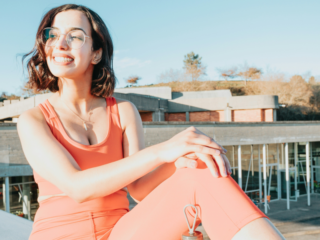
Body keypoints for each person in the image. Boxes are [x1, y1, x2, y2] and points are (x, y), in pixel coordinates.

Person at [17, 4, 284, 240]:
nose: (60, 43)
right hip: (59, 235)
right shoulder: (33, 119)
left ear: (96, 53)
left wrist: (179, 161)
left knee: (198, 168)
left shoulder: (123, 111)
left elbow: (139, 188)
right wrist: (162, 151)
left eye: (75, 36)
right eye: (52, 35)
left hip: (121, 233)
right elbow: (77, 187)